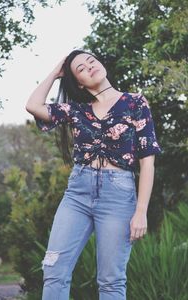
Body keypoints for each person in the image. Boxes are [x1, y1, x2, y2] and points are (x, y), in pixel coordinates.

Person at [26, 49, 161, 300]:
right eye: (80, 69)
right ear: (79, 82)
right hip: (77, 194)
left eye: (91, 61)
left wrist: (141, 211)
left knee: (111, 281)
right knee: (54, 270)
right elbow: (33, 106)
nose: (89, 66)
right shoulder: (76, 110)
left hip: (118, 196)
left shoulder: (135, 103)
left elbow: (148, 161)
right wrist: (57, 71)